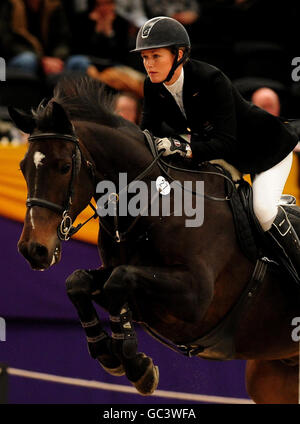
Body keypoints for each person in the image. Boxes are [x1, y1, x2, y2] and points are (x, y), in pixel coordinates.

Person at [131, 16, 300, 277]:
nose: (149, 65)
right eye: (144, 58)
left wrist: (184, 148)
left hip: (268, 148)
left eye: (155, 56)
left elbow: (225, 141)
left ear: (178, 54)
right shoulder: (152, 86)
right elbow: (147, 133)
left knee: (263, 212)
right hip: (231, 157)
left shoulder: (211, 79)